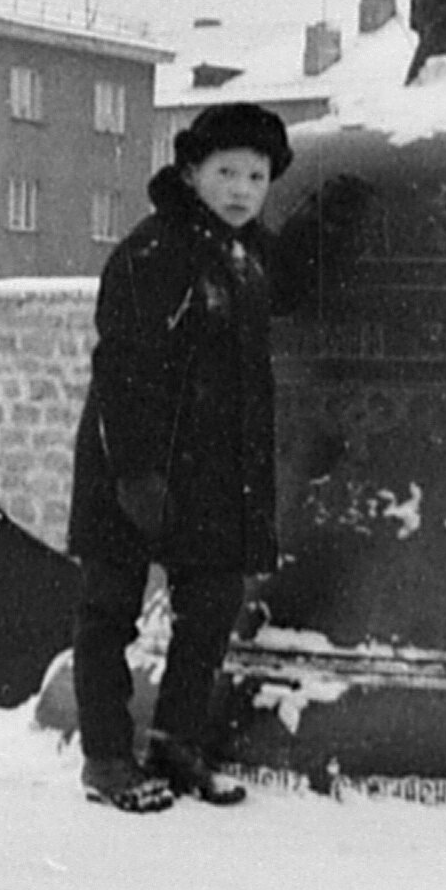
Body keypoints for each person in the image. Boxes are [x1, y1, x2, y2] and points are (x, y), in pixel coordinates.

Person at [63, 101, 290, 812]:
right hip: (135, 465)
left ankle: (176, 745)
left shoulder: (246, 255)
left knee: (210, 609)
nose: (242, 189)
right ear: (191, 172)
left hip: (211, 473)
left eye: (256, 176)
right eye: (226, 172)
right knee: (110, 612)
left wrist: (336, 222)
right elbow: (122, 366)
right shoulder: (154, 252)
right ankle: (106, 759)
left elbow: (297, 282)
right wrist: (135, 473)